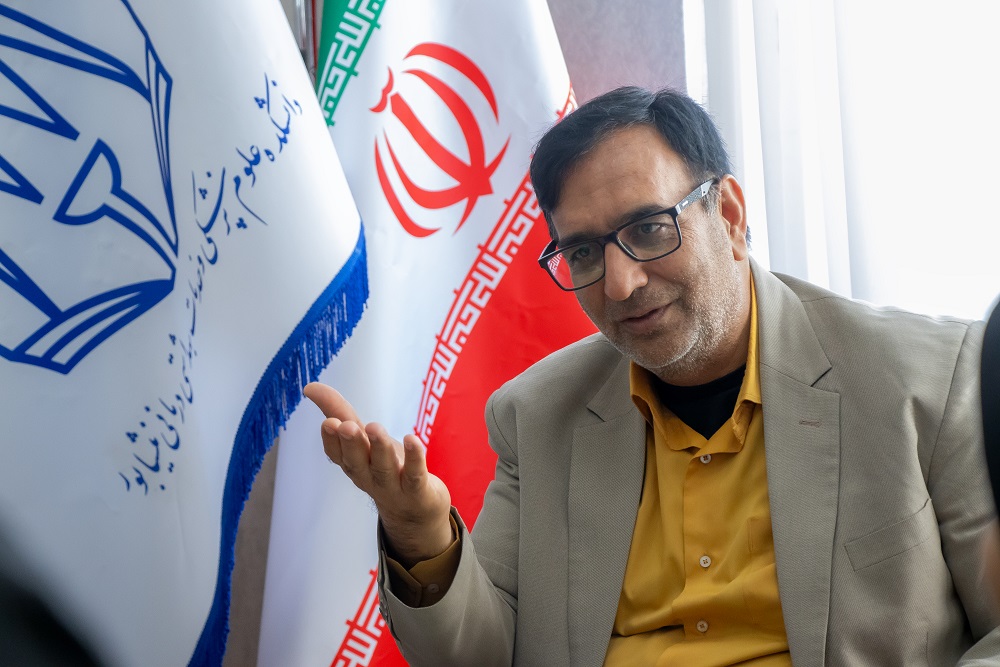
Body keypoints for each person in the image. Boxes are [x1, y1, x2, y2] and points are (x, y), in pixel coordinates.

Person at [304, 86, 1000, 666]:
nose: (620, 282)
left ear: (729, 216)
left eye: (648, 228)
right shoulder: (536, 415)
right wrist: (421, 532)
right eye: (584, 252)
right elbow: (484, 655)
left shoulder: (930, 376)